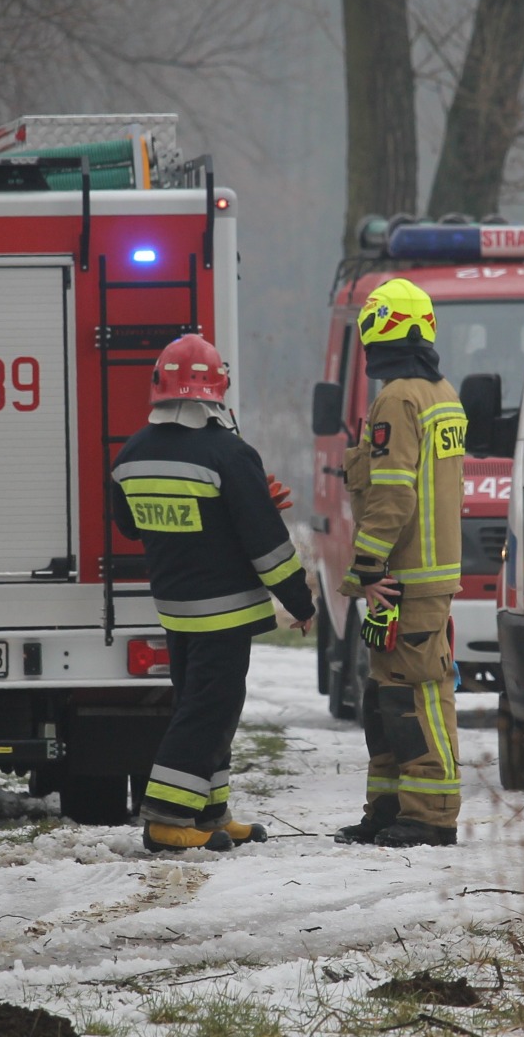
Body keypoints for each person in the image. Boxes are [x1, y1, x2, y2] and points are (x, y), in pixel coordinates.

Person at [111, 334, 313, 852]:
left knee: (204, 707)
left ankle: (208, 811)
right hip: (224, 613)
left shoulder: (132, 453)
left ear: (160, 385)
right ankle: (167, 818)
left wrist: (223, 511)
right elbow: (265, 544)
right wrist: (299, 599)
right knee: (208, 712)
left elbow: (131, 526)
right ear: (217, 387)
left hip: (176, 610)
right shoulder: (229, 452)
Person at [334, 278, 467, 848]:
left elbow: (393, 494)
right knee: (387, 694)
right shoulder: (442, 394)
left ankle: (430, 815)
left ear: (375, 331)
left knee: (417, 694)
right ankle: (389, 807)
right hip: (420, 576)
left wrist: (367, 566)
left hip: (402, 578)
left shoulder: (396, 399)